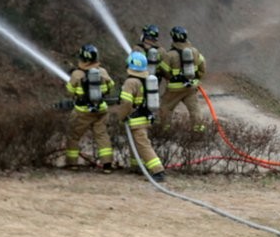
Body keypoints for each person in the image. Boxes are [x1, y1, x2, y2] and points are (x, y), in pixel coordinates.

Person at [112, 50, 166, 182]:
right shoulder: (145, 79)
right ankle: (136, 166)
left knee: (143, 144)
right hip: (144, 116)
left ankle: (158, 171)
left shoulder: (131, 82)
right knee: (136, 143)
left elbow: (126, 102)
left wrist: (121, 116)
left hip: (136, 118)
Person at [63, 44, 117, 172]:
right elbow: (111, 86)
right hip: (101, 110)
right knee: (102, 136)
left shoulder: (77, 74)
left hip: (82, 111)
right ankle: (107, 165)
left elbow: (69, 92)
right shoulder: (102, 71)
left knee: (73, 136)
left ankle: (72, 164)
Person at [158, 25, 207, 133]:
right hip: (191, 87)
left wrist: (170, 78)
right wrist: (197, 79)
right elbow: (202, 67)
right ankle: (199, 131)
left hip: (174, 89)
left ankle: (164, 131)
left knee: (165, 108)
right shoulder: (194, 51)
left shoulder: (170, 54)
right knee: (195, 109)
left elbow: (163, 70)